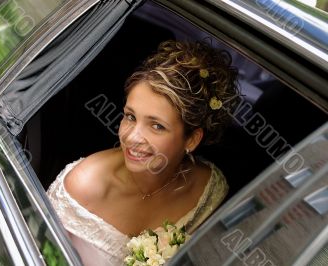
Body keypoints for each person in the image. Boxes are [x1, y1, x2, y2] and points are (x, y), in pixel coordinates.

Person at [47, 40, 240, 265]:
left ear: (192, 139)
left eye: (156, 126)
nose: (132, 137)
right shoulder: (84, 187)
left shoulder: (206, 188)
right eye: (130, 116)